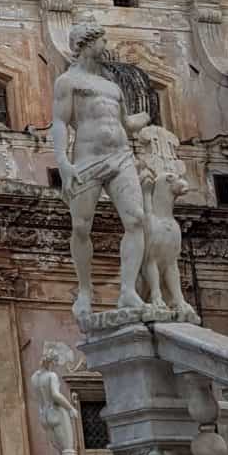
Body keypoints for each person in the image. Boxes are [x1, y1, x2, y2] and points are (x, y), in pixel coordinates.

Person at [52, 24, 151, 322]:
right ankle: (84, 290)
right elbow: (59, 121)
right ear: (87, 43)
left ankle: (127, 290)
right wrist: (62, 162)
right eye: (102, 39)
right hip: (87, 159)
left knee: (136, 219)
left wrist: (142, 118)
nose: (106, 44)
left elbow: (124, 123)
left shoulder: (113, 86)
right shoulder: (67, 81)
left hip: (120, 157)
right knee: (81, 227)